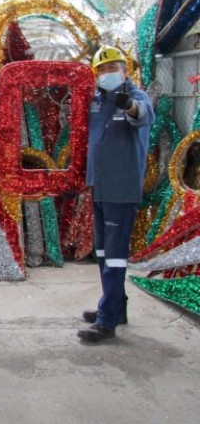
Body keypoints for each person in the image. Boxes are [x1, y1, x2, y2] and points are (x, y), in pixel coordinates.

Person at [80, 47, 155, 343]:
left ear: (124, 70)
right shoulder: (97, 101)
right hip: (99, 187)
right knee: (103, 254)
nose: (107, 73)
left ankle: (107, 321)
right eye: (102, 69)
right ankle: (116, 306)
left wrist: (129, 106)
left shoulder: (136, 97)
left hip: (120, 190)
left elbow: (143, 114)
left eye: (113, 67)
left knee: (114, 257)